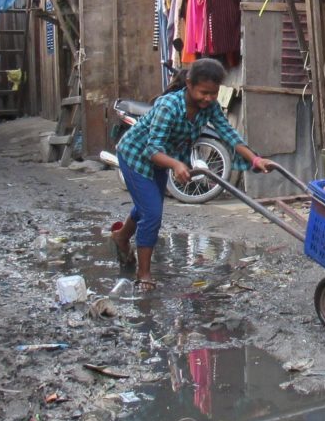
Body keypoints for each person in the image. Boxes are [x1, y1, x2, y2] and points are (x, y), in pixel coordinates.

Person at [110, 57, 274, 285]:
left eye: (213, 94)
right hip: (137, 155)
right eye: (203, 92)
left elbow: (229, 134)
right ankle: (144, 275)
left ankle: (121, 236)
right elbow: (152, 149)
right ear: (189, 84)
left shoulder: (210, 108)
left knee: (148, 206)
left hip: (160, 159)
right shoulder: (169, 106)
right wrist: (176, 164)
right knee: (152, 214)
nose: (208, 98)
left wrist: (255, 159)